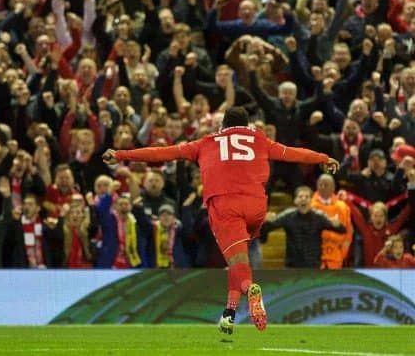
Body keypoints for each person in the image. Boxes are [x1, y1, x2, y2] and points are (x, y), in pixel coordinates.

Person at [103, 106, 339, 334]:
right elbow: (292, 152)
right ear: (246, 125)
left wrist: (121, 155)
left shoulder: (206, 143)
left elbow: (162, 153)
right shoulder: (259, 140)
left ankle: (250, 289)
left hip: (225, 205)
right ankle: (229, 315)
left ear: (223, 124)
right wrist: (322, 158)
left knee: (238, 264)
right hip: (256, 204)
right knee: (237, 259)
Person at [261, 186, 347, 268]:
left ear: (311, 200)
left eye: (307, 197)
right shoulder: (287, 215)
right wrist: (266, 222)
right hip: (292, 266)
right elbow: (264, 231)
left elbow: (342, 230)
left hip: (313, 266)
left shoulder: (319, 216)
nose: (303, 199)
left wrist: (338, 225)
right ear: (295, 200)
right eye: (300, 196)